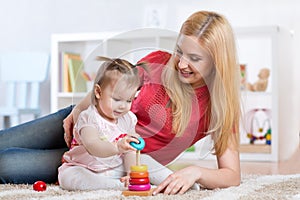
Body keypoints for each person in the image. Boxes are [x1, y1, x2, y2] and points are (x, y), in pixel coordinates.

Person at [0, 10, 241, 195]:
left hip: (106, 162)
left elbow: (232, 175)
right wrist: (79, 111)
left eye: (195, 58)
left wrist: (196, 172)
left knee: (7, 164)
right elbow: (111, 84)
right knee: (5, 140)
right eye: (180, 52)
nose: (181, 64)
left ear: (217, 62)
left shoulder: (218, 108)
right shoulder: (157, 60)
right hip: (87, 121)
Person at [58, 57, 142, 190]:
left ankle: (123, 182)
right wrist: (117, 148)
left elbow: (130, 150)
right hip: (85, 167)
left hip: (112, 168)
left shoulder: (128, 118)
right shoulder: (89, 117)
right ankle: (116, 186)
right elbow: (93, 145)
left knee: (140, 163)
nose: (123, 106)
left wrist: (131, 172)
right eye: (117, 99)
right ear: (98, 92)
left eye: (129, 100)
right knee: (70, 177)